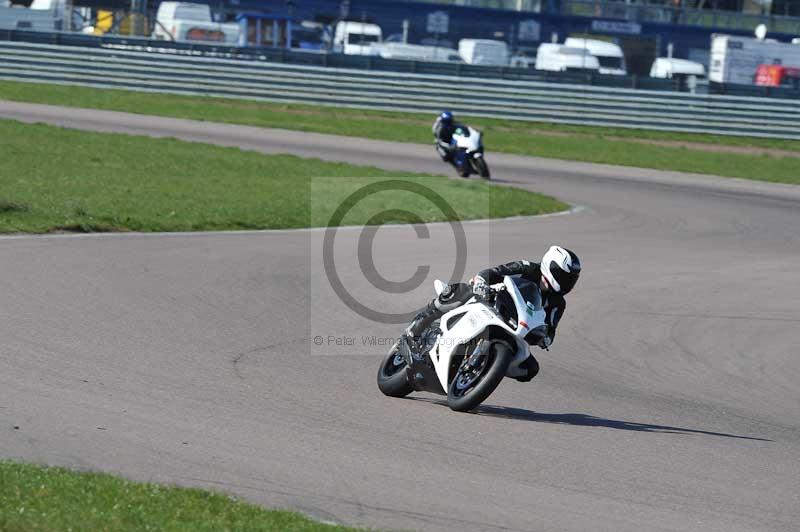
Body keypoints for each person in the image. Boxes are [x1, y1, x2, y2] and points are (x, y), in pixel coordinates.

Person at [405, 246, 581, 382]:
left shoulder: (558, 303)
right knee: (460, 291)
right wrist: (482, 281)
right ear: (550, 267)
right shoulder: (528, 268)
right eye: (563, 276)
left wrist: (545, 338)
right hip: (491, 301)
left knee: (530, 368)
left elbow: (550, 328)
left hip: (514, 327)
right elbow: (496, 272)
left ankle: (486, 370)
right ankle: (418, 326)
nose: (567, 283)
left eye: (571, 279)